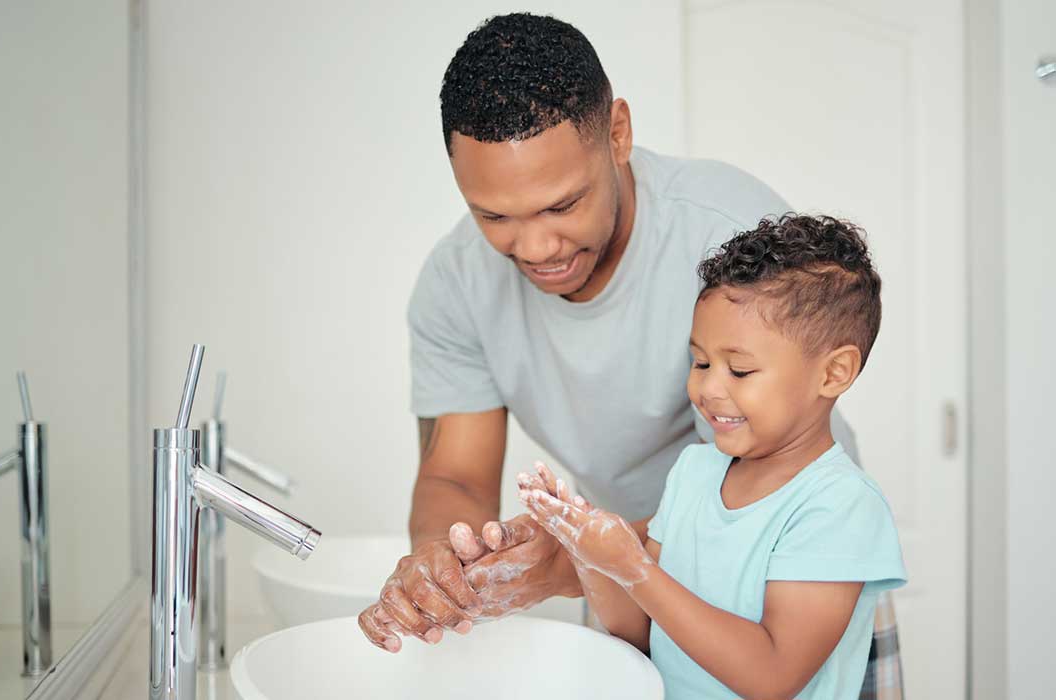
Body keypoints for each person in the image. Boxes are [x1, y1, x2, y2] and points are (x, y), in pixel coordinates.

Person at [357, 13, 905, 698]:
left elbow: (748, 502)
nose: (535, 248)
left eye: (564, 204)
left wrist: (586, 557)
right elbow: (456, 477)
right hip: (629, 565)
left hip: (783, 565)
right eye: (495, 216)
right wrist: (440, 563)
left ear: (618, 133)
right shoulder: (455, 283)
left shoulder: (724, 239)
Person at [518, 214, 906, 699]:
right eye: (700, 361)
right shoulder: (694, 473)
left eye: (740, 370)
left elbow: (773, 676)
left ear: (834, 373)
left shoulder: (840, 506)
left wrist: (637, 568)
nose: (707, 387)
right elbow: (642, 634)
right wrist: (592, 554)